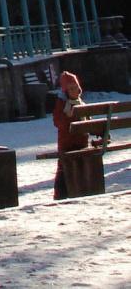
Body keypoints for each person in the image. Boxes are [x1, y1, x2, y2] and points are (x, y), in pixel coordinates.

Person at [52, 69, 89, 200]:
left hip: (79, 142)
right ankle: (61, 193)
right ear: (65, 91)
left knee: (73, 166)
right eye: (71, 88)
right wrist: (69, 118)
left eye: (76, 88)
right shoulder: (62, 105)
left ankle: (73, 190)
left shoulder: (80, 103)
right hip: (68, 143)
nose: (74, 91)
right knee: (63, 168)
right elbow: (58, 122)